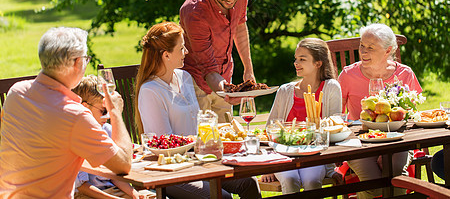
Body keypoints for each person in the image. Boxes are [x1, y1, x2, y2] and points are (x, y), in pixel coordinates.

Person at [0, 27, 132, 198]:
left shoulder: (16, 93)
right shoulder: (75, 115)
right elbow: (123, 165)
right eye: (86, 59)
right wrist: (114, 112)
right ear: (77, 63)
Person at [134, 22, 261, 199]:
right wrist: (197, 144)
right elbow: (162, 143)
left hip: (200, 159)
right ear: (166, 55)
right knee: (222, 197)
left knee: (249, 183)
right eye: (182, 48)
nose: (186, 52)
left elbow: (198, 122)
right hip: (173, 170)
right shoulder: (151, 91)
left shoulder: (185, 77)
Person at [339, 23, 422, 199]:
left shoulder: (405, 74)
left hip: (397, 140)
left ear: (387, 51)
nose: (363, 51)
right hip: (359, 142)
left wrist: (386, 146)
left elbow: (412, 115)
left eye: (370, 47)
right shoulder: (348, 75)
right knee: (373, 185)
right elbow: (337, 116)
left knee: (397, 179)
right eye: (362, 45)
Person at [261, 38, 344, 194]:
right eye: (296, 59)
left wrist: (330, 168)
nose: (296, 63)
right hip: (283, 154)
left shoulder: (331, 88)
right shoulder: (285, 91)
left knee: (312, 181)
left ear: (318, 63)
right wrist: (269, 166)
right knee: (290, 180)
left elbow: (334, 128)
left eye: (302, 59)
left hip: (315, 154)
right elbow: (269, 129)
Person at [180, 0, 255, 122]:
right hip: (195, 82)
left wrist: (248, 69)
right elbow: (208, 69)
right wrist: (227, 92)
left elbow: (240, 27)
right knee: (203, 140)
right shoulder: (195, 12)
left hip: (224, 75)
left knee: (228, 137)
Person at [73, 75, 145, 199]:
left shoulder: (106, 130)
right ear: (85, 107)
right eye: (103, 111)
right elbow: (81, 186)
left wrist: (135, 194)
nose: (107, 117)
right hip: (88, 194)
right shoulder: (77, 137)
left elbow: (117, 175)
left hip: (112, 189)